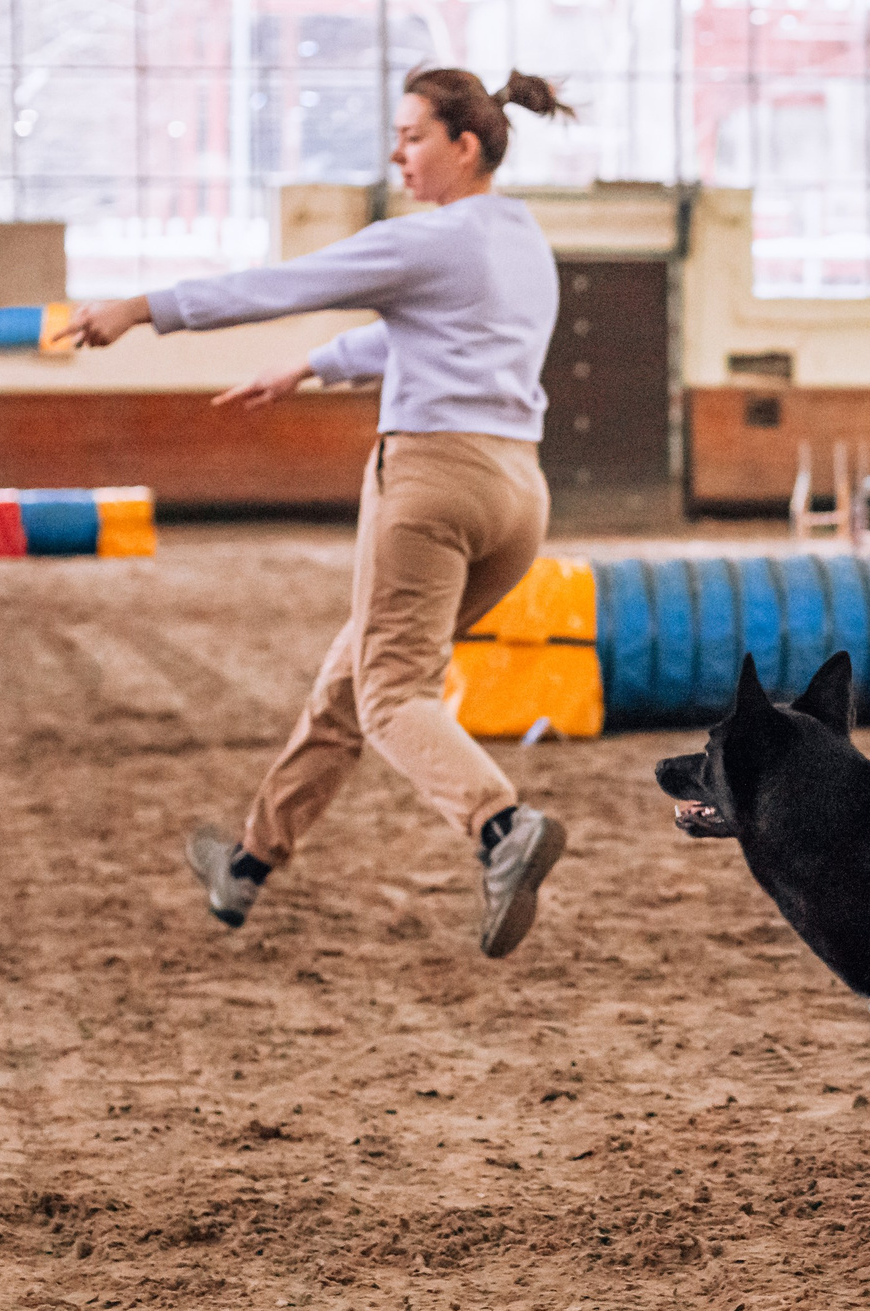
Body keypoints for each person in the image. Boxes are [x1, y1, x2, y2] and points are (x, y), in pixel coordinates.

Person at [68, 68, 574, 958]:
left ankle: (501, 827)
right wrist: (312, 368)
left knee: (390, 697)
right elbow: (417, 331)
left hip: (433, 484)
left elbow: (277, 284)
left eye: (412, 135)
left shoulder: (424, 239)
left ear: (464, 144)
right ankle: (249, 864)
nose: (397, 153)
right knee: (351, 680)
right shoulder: (520, 237)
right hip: (519, 496)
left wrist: (139, 310)